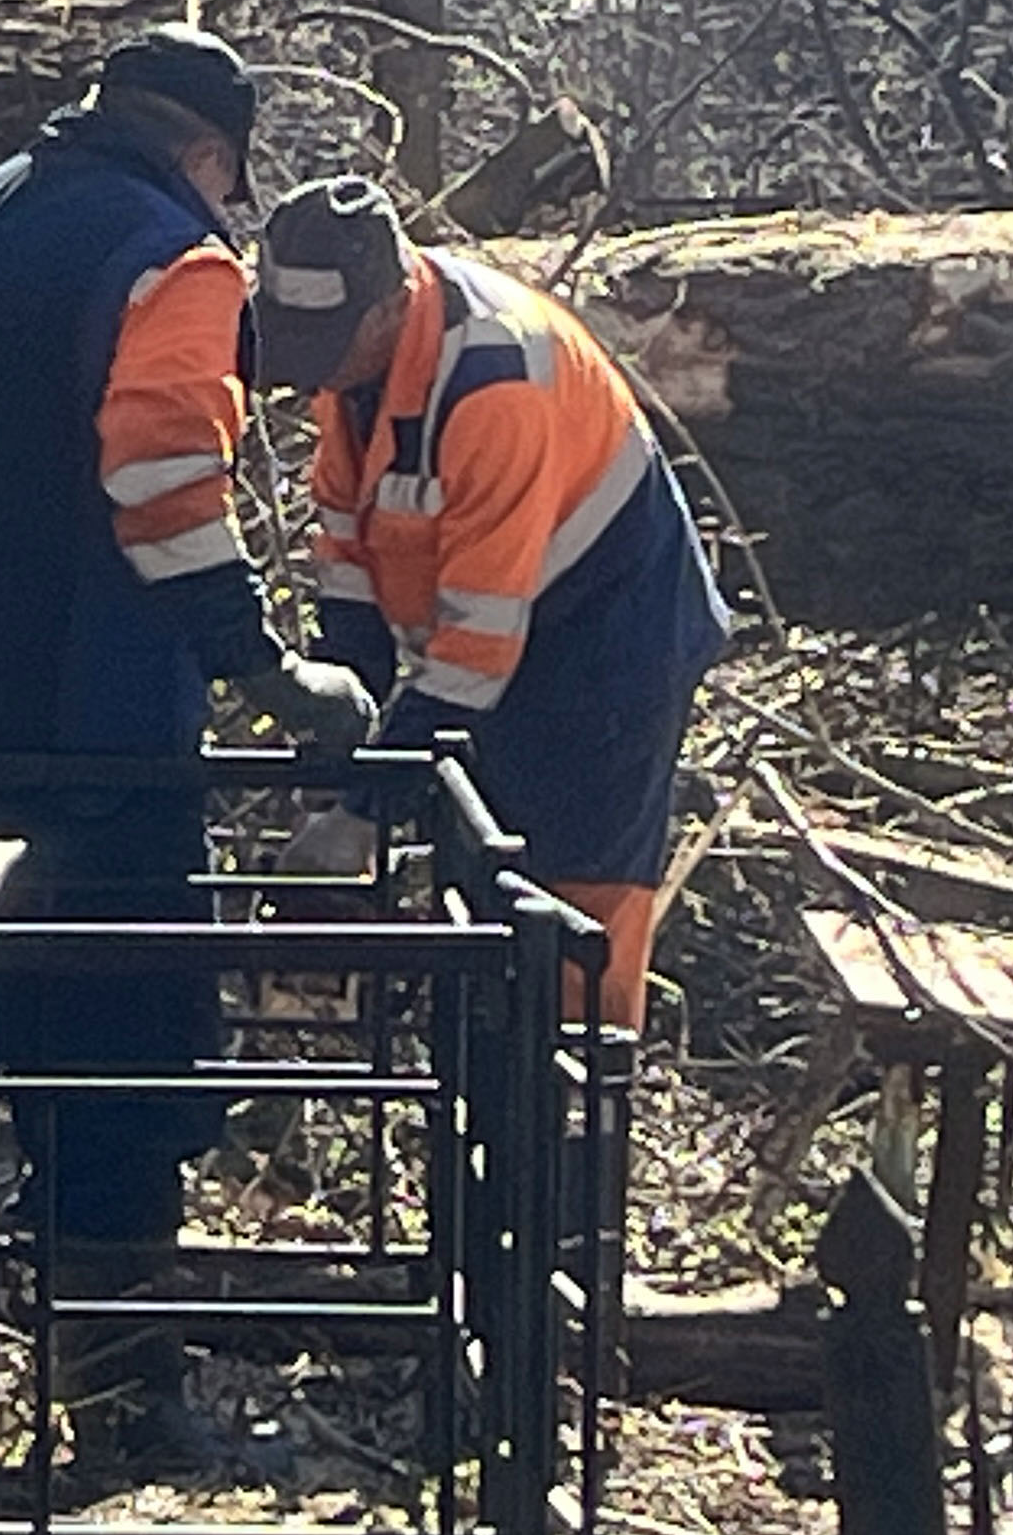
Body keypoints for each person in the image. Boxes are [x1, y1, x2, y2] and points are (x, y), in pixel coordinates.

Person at [0, 27, 370, 1431]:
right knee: (114, 1071)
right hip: (92, 752)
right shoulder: (176, 260)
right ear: (209, 155)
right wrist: (266, 673)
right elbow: (163, 485)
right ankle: (112, 1411)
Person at [249, 177, 730, 1034]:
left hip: (610, 638)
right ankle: (485, 1080)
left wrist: (363, 814)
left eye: (323, 341)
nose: (307, 366)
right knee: (478, 878)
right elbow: (351, 583)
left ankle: (576, 1093)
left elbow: (475, 652)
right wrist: (338, 754)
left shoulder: (494, 381)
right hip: (498, 627)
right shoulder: (353, 370)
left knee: (572, 901)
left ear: (390, 306)